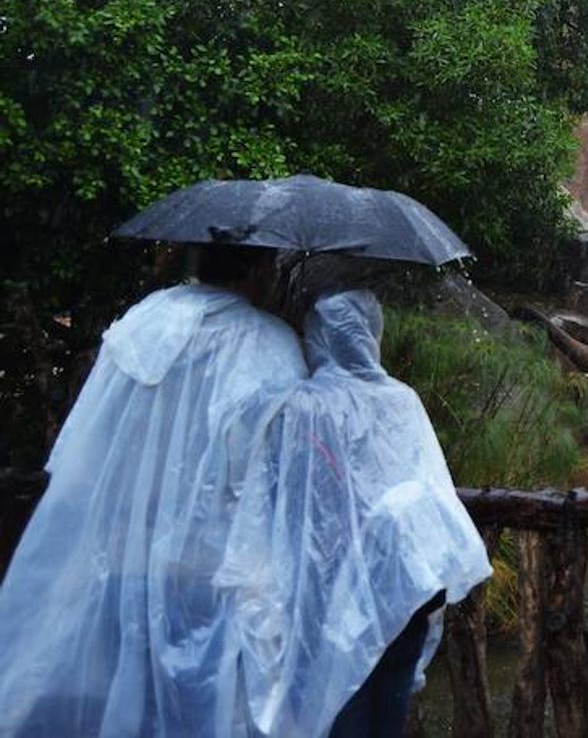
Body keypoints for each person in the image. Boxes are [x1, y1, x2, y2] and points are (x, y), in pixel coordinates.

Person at [0, 245, 309, 736]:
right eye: (269, 265)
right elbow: (274, 467)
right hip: (207, 572)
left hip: (122, 555)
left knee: (121, 695)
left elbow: (90, 439)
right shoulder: (267, 345)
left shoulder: (146, 323)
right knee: (199, 704)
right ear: (254, 268)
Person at [219, 289, 490, 738]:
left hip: (331, 592)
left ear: (319, 340)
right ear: (371, 335)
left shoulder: (303, 406)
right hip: (404, 587)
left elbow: (283, 498)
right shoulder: (402, 400)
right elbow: (426, 491)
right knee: (390, 704)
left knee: (338, 704)